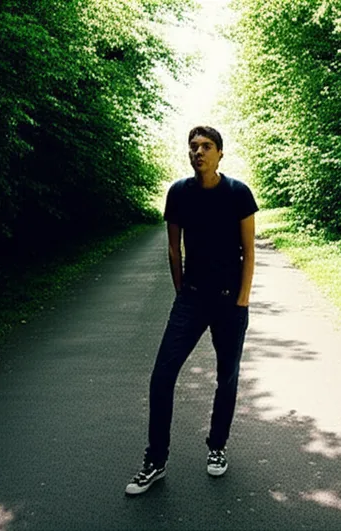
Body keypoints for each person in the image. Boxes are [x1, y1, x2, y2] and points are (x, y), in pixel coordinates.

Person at [125, 126, 258, 495]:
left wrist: (243, 299)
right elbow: (174, 248)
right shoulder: (179, 193)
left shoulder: (238, 193)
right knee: (162, 375)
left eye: (207, 146)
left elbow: (249, 252)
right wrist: (182, 292)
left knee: (227, 377)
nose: (199, 152)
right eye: (194, 146)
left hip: (230, 300)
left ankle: (217, 446)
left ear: (220, 153)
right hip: (192, 299)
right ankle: (155, 460)